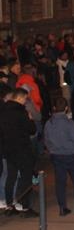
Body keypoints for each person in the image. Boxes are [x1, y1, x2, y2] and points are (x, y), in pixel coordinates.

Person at [43, 97, 74, 217]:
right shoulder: (69, 123)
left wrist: (51, 150)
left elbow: (46, 139)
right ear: (66, 108)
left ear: (54, 108)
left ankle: (62, 207)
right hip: (71, 155)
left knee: (60, 182)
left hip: (56, 155)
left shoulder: (49, 123)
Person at [0, 89, 37, 217]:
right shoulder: (21, 112)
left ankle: (9, 205)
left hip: (8, 150)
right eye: (25, 99)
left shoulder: (3, 111)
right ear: (20, 98)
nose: (25, 102)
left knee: (11, 177)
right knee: (26, 177)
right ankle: (25, 207)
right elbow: (32, 130)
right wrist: (30, 119)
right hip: (22, 149)